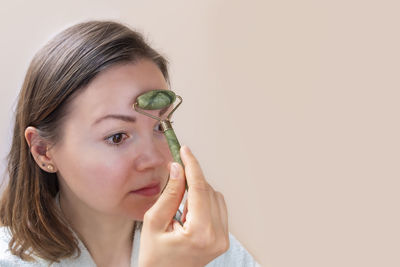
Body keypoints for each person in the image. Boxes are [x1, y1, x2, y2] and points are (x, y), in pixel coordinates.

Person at [0, 20, 260, 266]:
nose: (156, 159)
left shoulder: (203, 248)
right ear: (43, 151)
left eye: (160, 126)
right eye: (117, 137)